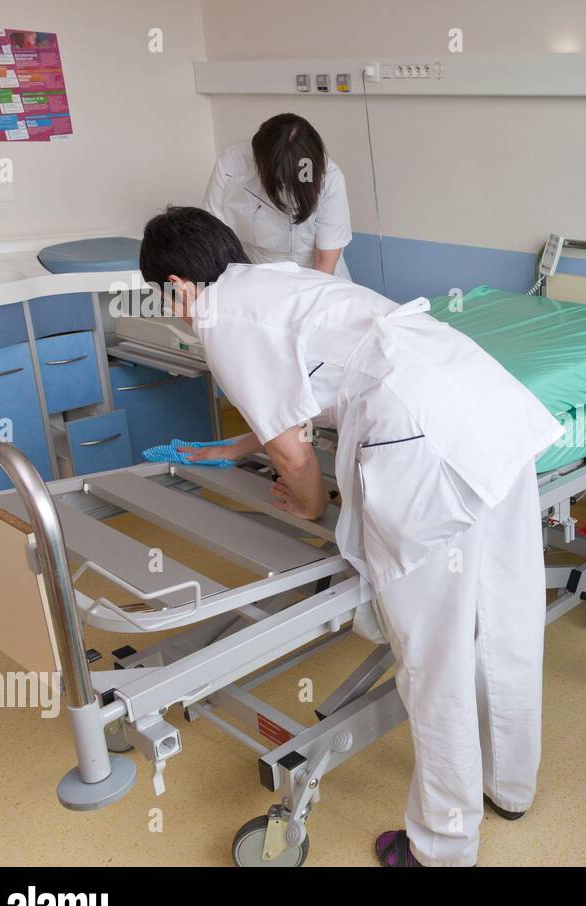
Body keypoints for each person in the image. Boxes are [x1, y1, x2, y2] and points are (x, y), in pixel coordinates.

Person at [139, 206, 564, 867]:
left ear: (178, 285)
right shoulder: (275, 280)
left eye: (168, 301)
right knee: (504, 614)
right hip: (483, 405)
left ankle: (442, 849)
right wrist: (235, 447)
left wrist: (308, 509)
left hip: (422, 442)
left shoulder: (219, 318)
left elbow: (298, 460)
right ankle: (509, 785)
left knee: (434, 659)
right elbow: (305, 391)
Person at [203, 113, 353, 277]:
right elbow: (215, 238)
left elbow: (325, 258)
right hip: (255, 274)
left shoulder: (329, 178)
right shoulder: (232, 164)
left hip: (315, 276)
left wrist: (310, 298)